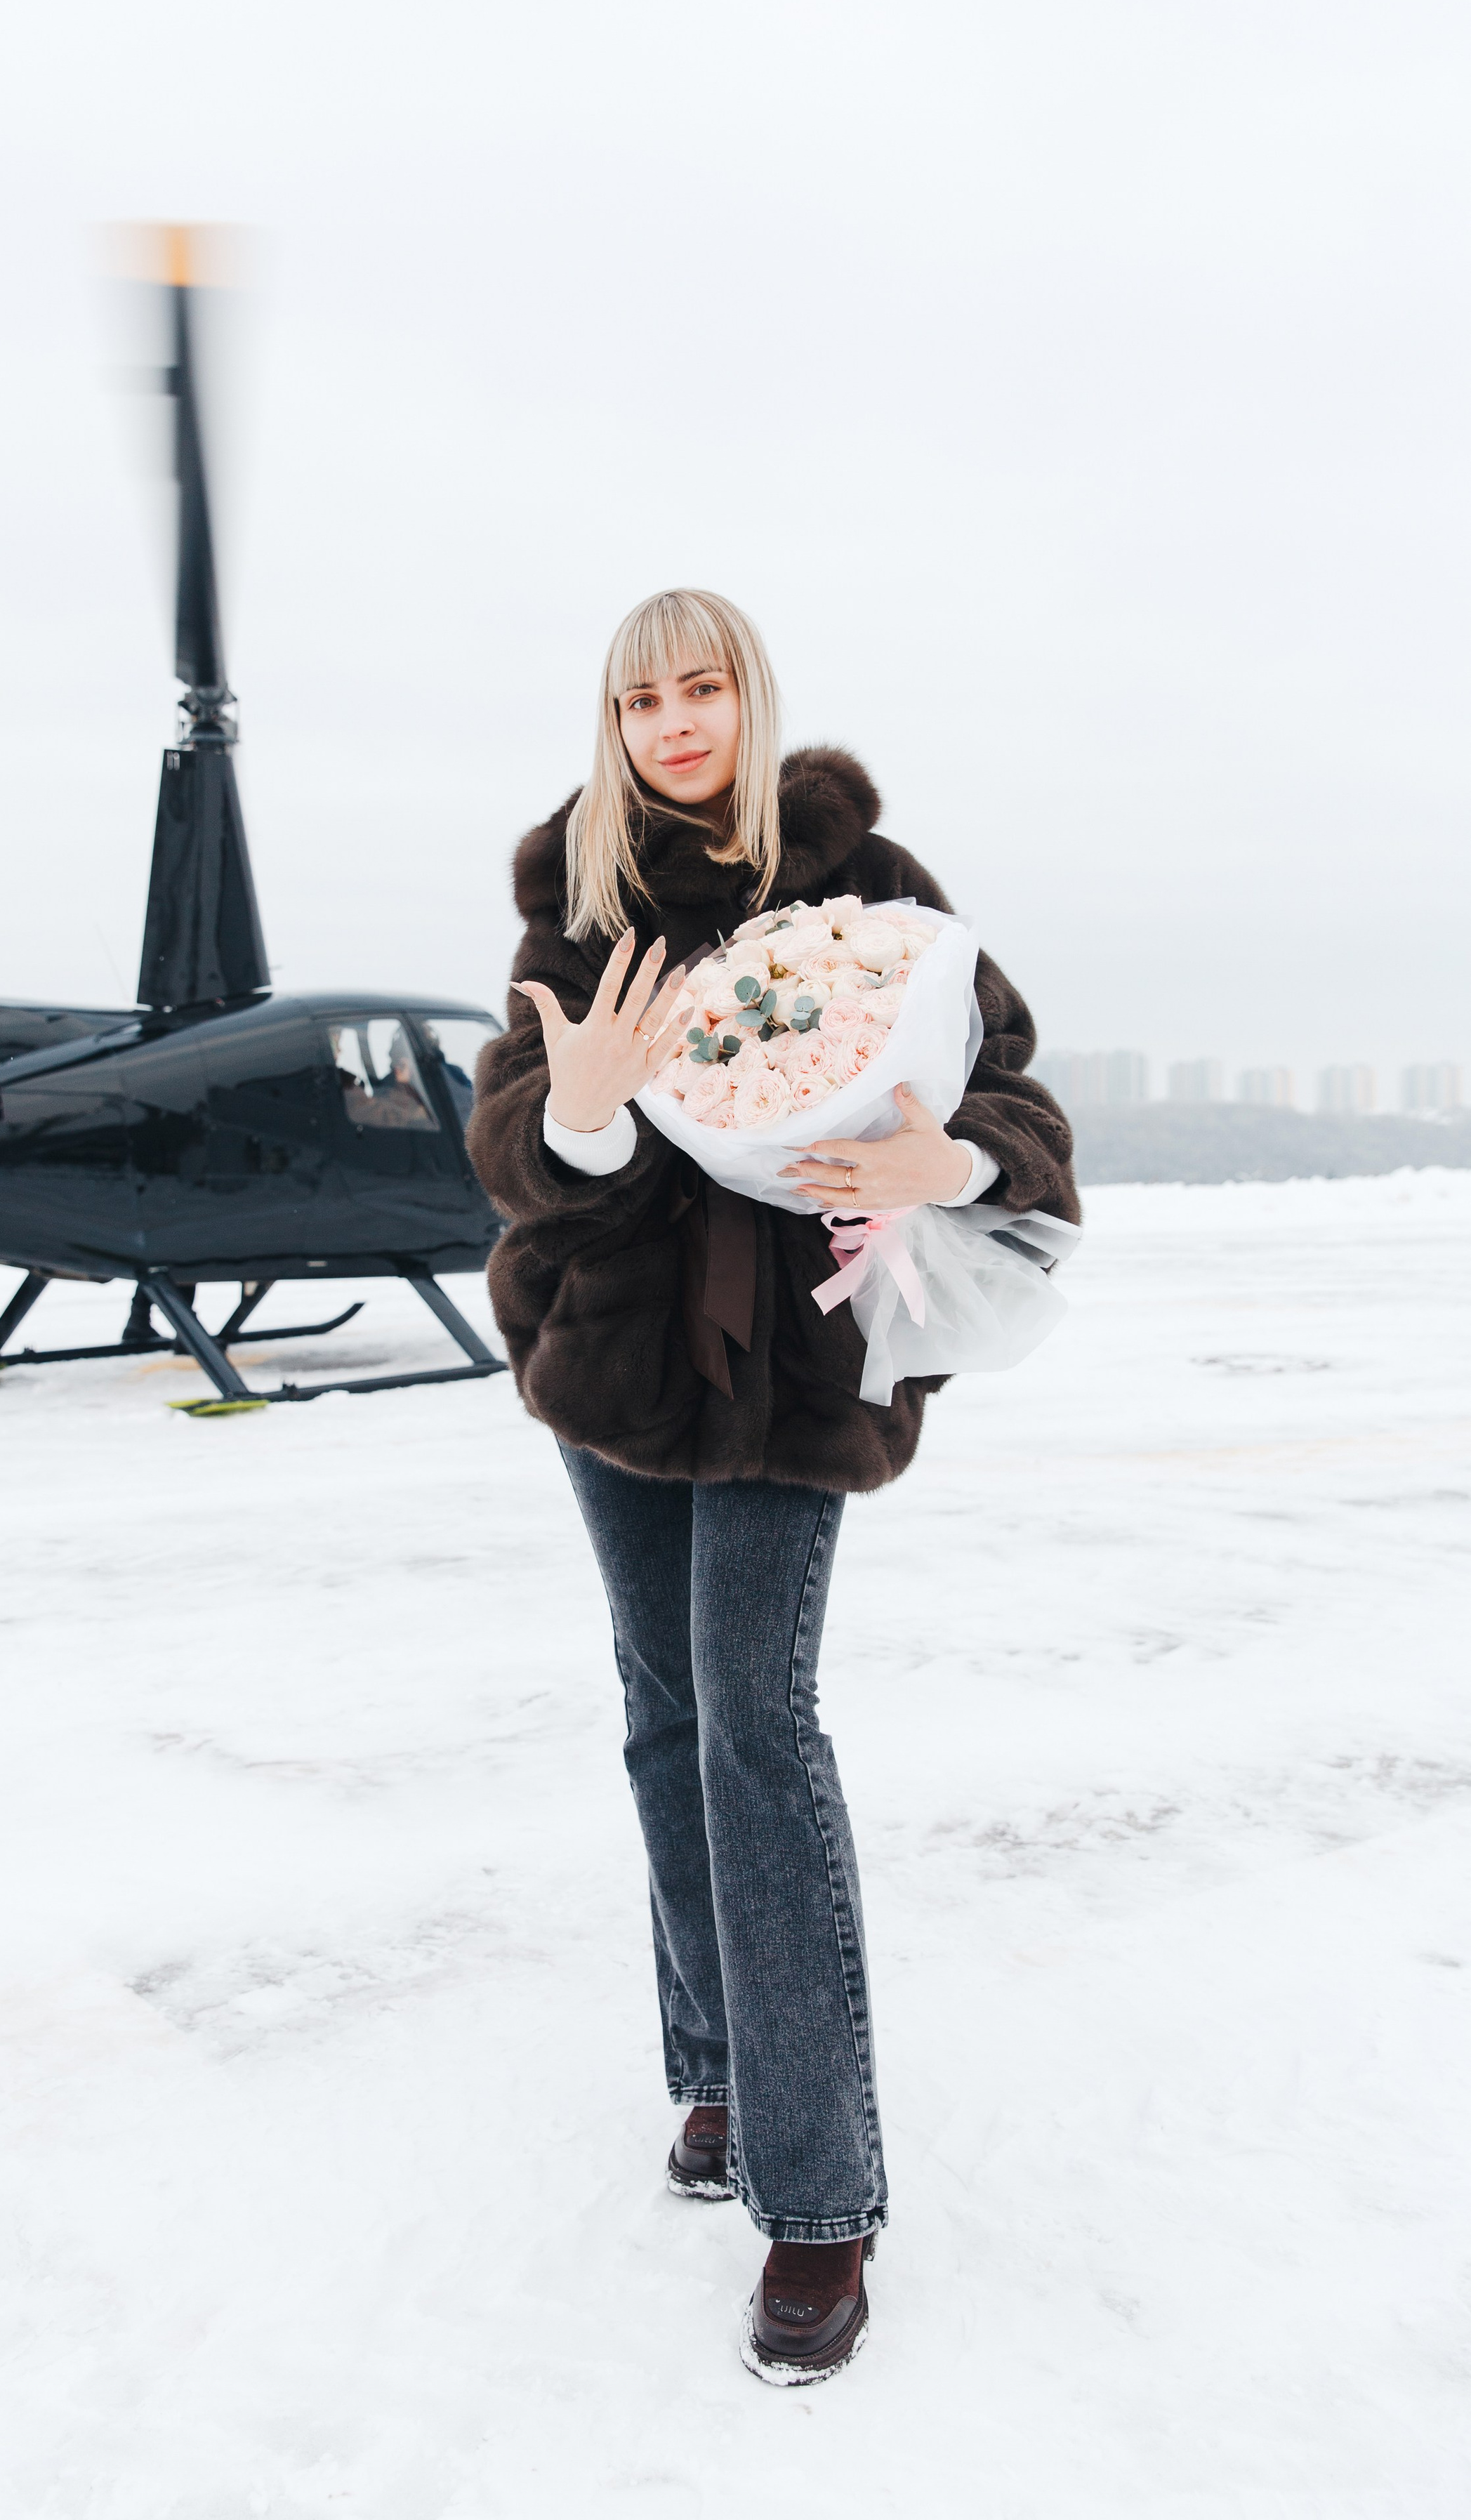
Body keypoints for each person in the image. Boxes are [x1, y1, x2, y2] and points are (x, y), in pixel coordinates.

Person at [466, 588, 1076, 2386]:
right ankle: (718, 2069)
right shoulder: (574, 905)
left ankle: (818, 2203)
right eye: (639, 695)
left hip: (793, 1366)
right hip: (612, 1363)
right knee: (662, 1717)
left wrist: (943, 1148)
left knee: (756, 1723)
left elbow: (1017, 1099)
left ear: (747, 699)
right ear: (613, 719)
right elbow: (515, 1143)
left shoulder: (872, 890)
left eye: (699, 684)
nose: (671, 720)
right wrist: (577, 1113)